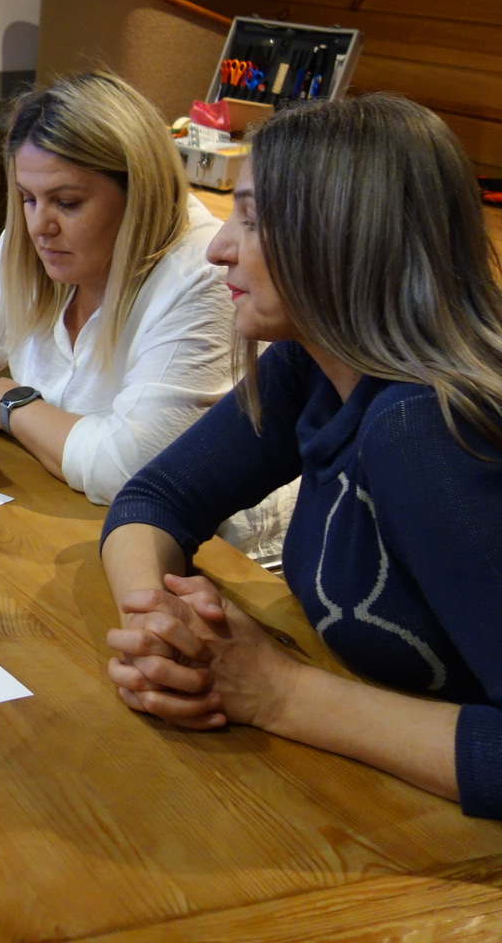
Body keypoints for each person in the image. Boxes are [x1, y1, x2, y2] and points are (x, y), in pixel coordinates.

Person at [100, 93, 502, 821]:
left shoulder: (423, 433)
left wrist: (278, 693)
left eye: (253, 220)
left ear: (342, 239)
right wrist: (159, 629)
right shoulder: (312, 365)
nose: (220, 247)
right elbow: (155, 498)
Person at [0, 72, 286, 547]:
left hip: (212, 552)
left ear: (139, 194)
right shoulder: (34, 246)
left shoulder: (202, 273)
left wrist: (14, 405)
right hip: (69, 515)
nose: (39, 225)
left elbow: (129, 468)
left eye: (67, 203)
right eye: (28, 199)